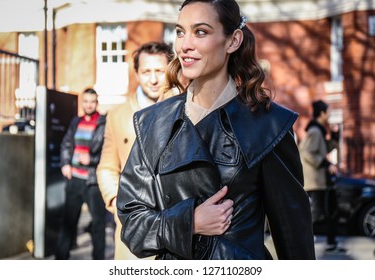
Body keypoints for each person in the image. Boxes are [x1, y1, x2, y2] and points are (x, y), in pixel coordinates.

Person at [116, 0, 315, 260]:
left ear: (233, 41)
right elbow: (132, 224)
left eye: (201, 32)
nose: (185, 45)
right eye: (179, 32)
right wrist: (190, 222)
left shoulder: (268, 124)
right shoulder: (153, 123)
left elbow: (293, 235)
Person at [96, 41, 176, 259]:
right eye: (146, 71)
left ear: (170, 70)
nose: (153, 79)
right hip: (133, 230)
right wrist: (116, 202)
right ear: (137, 73)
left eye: (159, 71)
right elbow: (107, 167)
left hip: (177, 225)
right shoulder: (117, 114)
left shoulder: (186, 107)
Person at [55, 87, 107, 260]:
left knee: (99, 225)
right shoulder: (75, 122)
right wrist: (65, 164)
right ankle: (60, 260)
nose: (89, 105)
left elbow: (108, 152)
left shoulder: (104, 123)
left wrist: (91, 158)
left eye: (92, 101)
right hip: (74, 180)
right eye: (86, 101)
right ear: (82, 102)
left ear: (96, 103)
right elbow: (66, 145)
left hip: (93, 182)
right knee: (68, 224)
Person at [299, 99, 346, 254]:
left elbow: (324, 150)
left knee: (330, 211)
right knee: (318, 214)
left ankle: (331, 243)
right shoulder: (315, 131)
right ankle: (305, 243)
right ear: (322, 113)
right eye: (329, 112)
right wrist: (327, 165)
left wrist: (334, 135)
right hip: (315, 182)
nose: (330, 115)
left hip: (321, 181)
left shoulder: (318, 130)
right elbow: (306, 153)